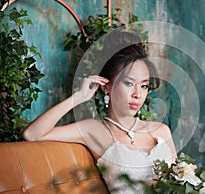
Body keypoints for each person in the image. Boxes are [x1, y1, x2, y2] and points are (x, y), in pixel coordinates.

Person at [23, 31, 177, 194]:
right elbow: (32, 134)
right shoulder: (94, 130)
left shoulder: (161, 130)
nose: (137, 94)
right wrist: (79, 97)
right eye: (129, 83)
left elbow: (177, 185)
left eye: (144, 86)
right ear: (106, 86)